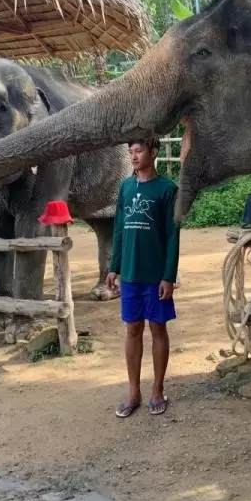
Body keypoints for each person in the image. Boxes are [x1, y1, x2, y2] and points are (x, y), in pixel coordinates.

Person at [106, 134, 180, 418]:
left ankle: (158, 390)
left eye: (138, 150)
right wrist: (114, 267)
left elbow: (173, 236)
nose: (134, 156)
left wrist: (168, 276)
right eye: (130, 151)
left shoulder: (167, 190)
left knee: (157, 329)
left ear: (153, 151)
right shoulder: (125, 188)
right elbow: (119, 230)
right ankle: (134, 392)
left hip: (156, 274)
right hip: (131, 275)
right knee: (132, 329)